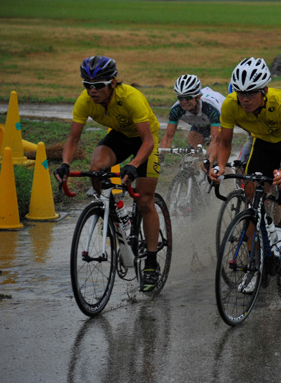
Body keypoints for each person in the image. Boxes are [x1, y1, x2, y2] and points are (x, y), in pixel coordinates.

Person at [54, 55, 162, 292]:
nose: (92, 91)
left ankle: (152, 263)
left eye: (98, 86)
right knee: (96, 169)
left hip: (145, 140)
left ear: (112, 83)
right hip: (120, 136)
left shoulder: (131, 98)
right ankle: (110, 211)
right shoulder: (85, 101)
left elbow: (148, 141)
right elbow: (73, 139)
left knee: (145, 201)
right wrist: (65, 163)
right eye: (87, 85)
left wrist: (134, 165)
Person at [208, 57, 281, 258]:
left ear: (263, 91)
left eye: (250, 93)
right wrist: (220, 166)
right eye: (240, 93)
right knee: (250, 190)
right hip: (263, 141)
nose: (245, 99)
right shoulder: (230, 105)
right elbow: (225, 143)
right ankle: (255, 260)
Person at [159, 74, 225, 151]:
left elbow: (216, 139)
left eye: (188, 98)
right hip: (201, 122)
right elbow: (168, 136)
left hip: (224, 118)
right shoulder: (176, 109)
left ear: (198, 97)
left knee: (216, 151)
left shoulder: (210, 108)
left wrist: (207, 160)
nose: (184, 102)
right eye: (180, 98)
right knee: (192, 150)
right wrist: (161, 159)